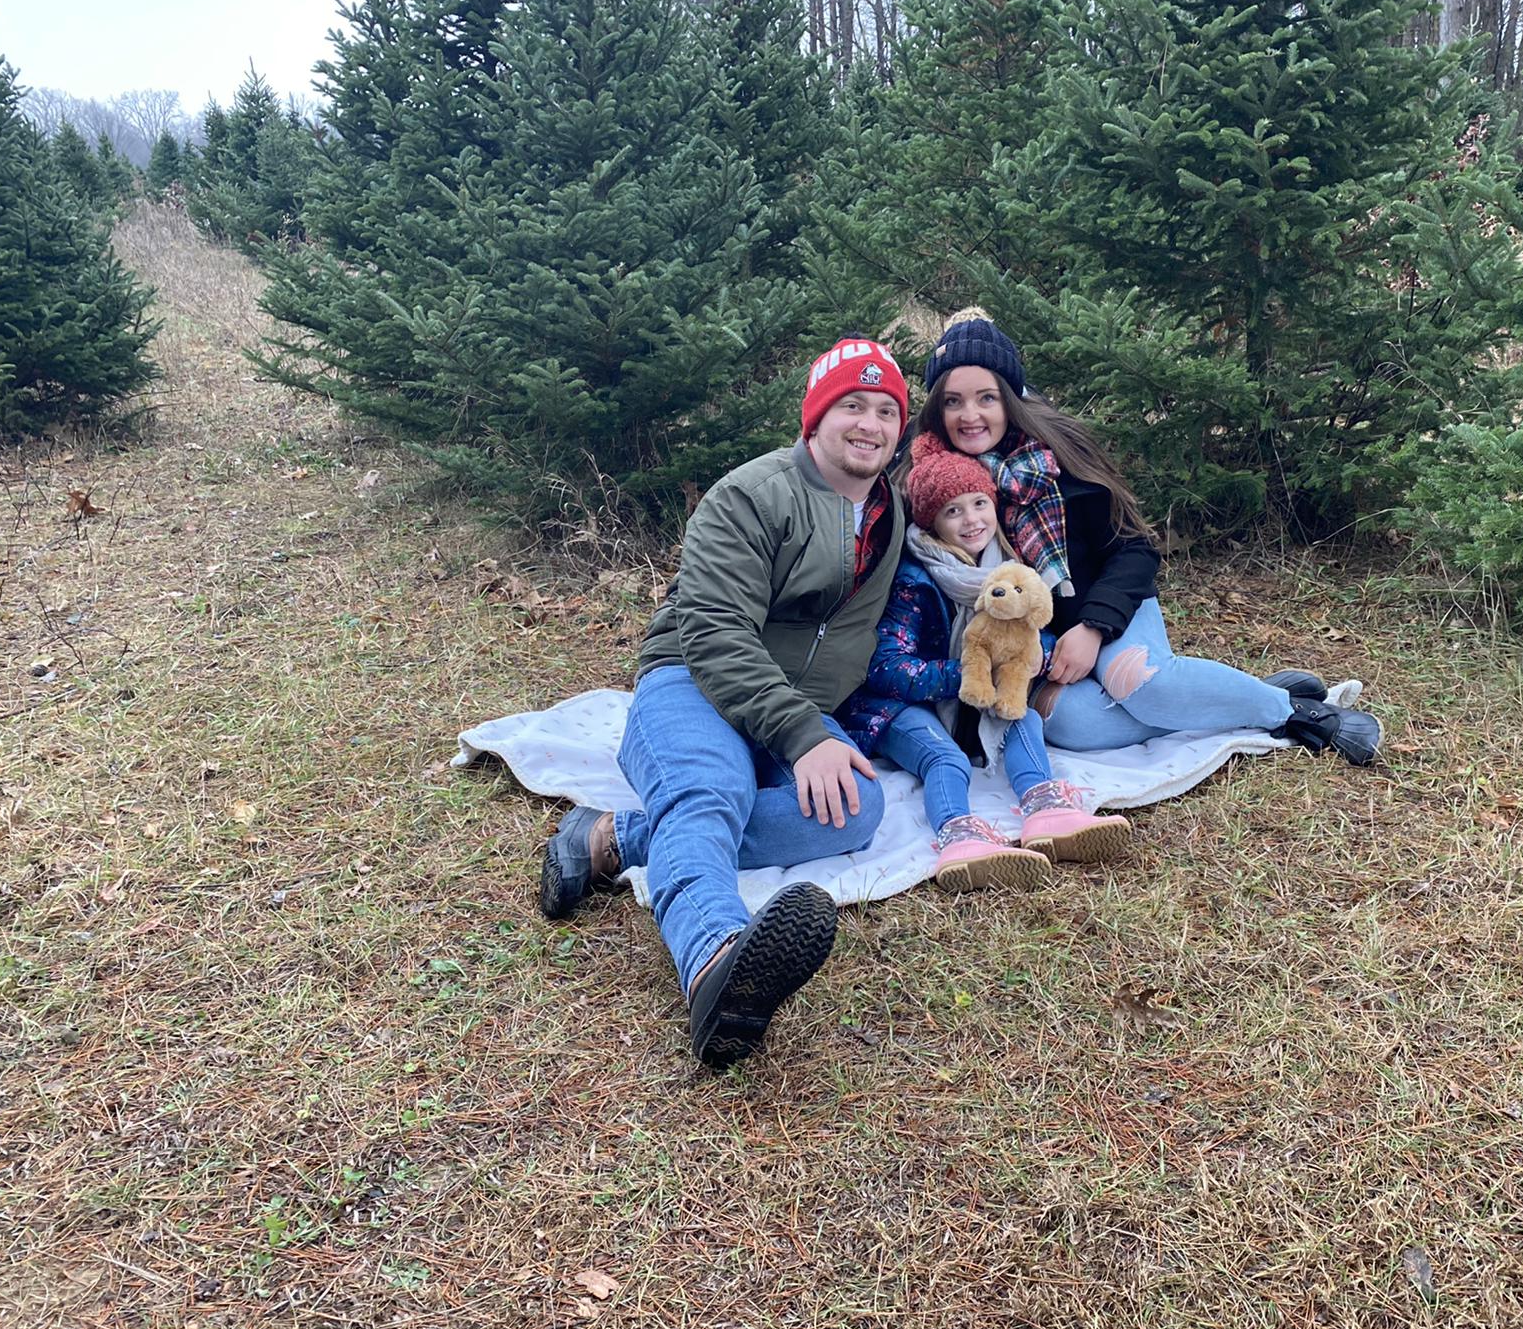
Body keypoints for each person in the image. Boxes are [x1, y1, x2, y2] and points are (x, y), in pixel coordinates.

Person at [539, 338, 910, 1069]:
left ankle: (614, 838)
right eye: (851, 406)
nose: (869, 424)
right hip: (694, 684)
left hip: (790, 713)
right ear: (814, 418)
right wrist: (806, 736)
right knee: (713, 791)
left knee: (859, 808)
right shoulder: (751, 494)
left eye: (885, 411)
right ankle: (716, 961)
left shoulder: (888, 512)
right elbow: (712, 635)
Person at [915, 309, 1383, 761]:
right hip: (1037, 649)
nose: (969, 414)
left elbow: (1135, 549)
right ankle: (1240, 696)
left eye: (986, 398)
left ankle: (1294, 712)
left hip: (1108, 608)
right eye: (953, 400)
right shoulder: (931, 481)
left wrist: (1094, 630)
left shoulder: (1054, 456)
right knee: (1076, 726)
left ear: (1010, 398)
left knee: (1140, 683)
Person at [838, 434, 1132, 892]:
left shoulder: (1009, 569)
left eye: (978, 503)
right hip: (896, 705)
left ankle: (1046, 809)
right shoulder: (915, 578)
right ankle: (959, 838)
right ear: (932, 523)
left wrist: (1034, 658)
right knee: (944, 757)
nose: (971, 519)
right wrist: (971, 673)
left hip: (975, 694)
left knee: (1021, 718)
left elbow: (1033, 631)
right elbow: (886, 668)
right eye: (952, 511)